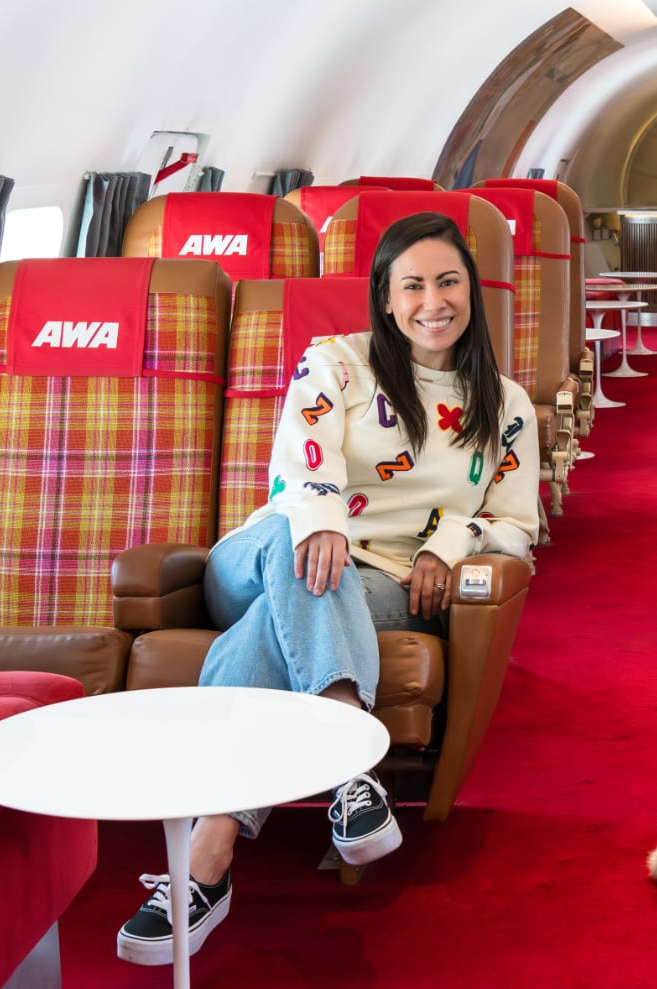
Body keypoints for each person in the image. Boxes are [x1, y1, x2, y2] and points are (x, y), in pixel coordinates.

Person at [117, 211, 540, 965]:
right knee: (301, 539)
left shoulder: (505, 406)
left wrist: (448, 542)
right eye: (412, 285)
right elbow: (302, 467)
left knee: (276, 629)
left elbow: (513, 523)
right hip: (262, 555)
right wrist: (324, 524)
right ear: (384, 296)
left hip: (383, 583)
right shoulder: (335, 362)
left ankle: (208, 857)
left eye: (448, 281)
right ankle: (350, 756)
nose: (431, 301)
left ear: (471, 291)